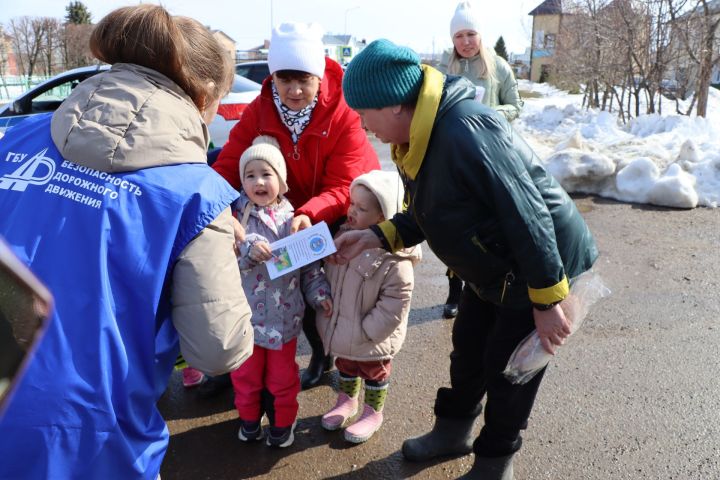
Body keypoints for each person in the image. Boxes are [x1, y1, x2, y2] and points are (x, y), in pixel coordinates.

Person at [0, 6, 253, 479]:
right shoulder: (196, 192)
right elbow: (219, 349)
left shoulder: (12, 140)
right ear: (203, 97)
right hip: (94, 440)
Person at [335, 39, 598, 479]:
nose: (363, 126)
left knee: (509, 371)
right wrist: (378, 235)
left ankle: (495, 463)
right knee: (468, 351)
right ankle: (453, 431)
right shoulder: (417, 135)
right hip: (491, 266)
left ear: (397, 105)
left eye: (365, 114)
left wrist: (548, 301)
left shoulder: (464, 130)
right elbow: (432, 209)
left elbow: (527, 213)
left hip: (533, 266)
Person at [211, 21, 380, 391]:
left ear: (319, 76)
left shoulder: (343, 112)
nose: (295, 90)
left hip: (338, 205)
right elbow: (227, 165)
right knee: (258, 277)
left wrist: (308, 213)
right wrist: (218, 208)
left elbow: (342, 185)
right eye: (285, 80)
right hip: (284, 207)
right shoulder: (259, 109)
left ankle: (323, 351)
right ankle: (244, 359)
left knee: (320, 285)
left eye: (304, 79)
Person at [231, 135, 332, 448]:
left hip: (284, 322)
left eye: (267, 174)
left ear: (282, 181)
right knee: (245, 377)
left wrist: (319, 294)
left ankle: (282, 425)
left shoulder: (293, 221)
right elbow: (225, 266)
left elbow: (310, 269)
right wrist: (247, 252)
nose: (258, 181)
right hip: (245, 322)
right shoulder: (236, 220)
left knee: (283, 379)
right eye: (250, 175)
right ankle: (248, 422)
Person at [317, 170, 420, 443]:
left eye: (361, 208)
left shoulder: (396, 259)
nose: (351, 211)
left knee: (375, 372)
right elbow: (331, 276)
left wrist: (367, 331)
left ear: (383, 217)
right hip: (345, 328)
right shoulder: (343, 235)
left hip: (372, 336)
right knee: (347, 366)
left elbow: (396, 302)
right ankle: (347, 400)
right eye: (352, 203)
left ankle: (373, 411)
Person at [437, 0, 525, 320]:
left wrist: (491, 113)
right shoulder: (445, 67)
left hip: (490, 153)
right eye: (459, 36)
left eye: (471, 34)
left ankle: (488, 289)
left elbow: (516, 105)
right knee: (455, 227)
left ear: (480, 35)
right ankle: (453, 293)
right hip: (456, 156)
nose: (466, 42)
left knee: (487, 226)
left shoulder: (498, 66)